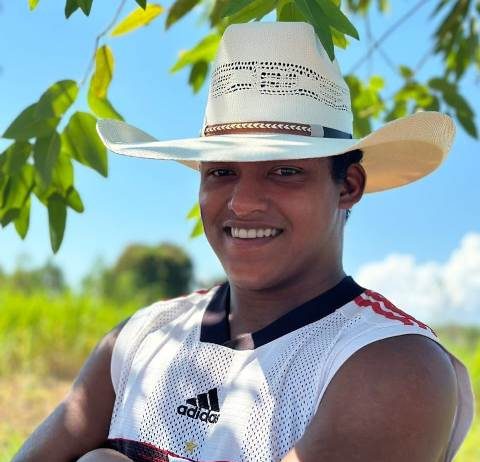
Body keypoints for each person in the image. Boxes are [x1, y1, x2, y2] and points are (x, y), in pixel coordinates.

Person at [14, 21, 474, 462]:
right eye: (221, 171)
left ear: (348, 186)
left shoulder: (388, 361)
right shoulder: (142, 338)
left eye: (285, 171)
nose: (244, 202)